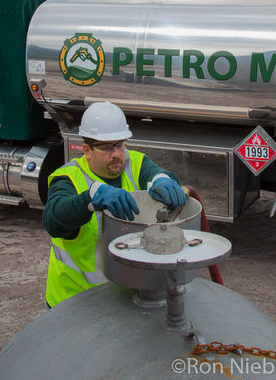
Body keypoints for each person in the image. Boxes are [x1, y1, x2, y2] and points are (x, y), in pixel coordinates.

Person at [42, 101, 188, 308]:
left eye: (119, 144)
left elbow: (153, 173)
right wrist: (89, 198)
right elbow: (54, 221)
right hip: (74, 302)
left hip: (123, 296)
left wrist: (162, 180)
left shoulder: (134, 162)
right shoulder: (67, 178)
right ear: (87, 150)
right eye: (107, 147)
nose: (117, 154)